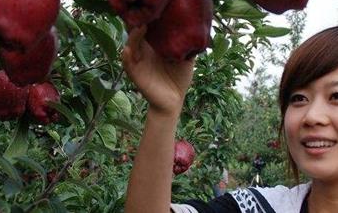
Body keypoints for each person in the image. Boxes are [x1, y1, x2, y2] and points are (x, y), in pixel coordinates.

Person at [122, 26, 338, 213]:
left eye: (336, 96)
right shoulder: (260, 207)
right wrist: (164, 111)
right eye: (299, 98)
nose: (312, 116)